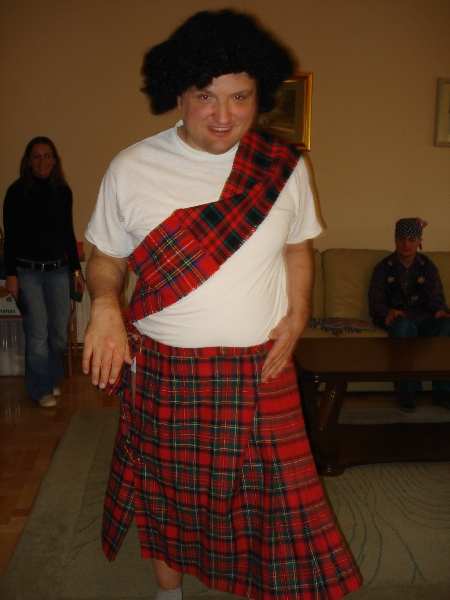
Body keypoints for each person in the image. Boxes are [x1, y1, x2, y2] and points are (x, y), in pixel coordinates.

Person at [83, 9, 362, 600]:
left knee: (278, 501)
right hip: (165, 367)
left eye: (240, 97)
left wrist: (299, 314)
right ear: (177, 94)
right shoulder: (131, 168)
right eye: (205, 96)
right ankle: (169, 593)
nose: (223, 115)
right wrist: (105, 304)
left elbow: (298, 247)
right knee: (168, 492)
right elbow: (104, 256)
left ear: (259, 95)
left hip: (261, 366)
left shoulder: (283, 168)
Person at [2, 136, 84, 408]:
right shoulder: (16, 193)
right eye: (36, 156)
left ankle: (49, 377)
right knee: (37, 332)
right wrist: (11, 275)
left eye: (47, 156)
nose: (42, 161)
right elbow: (10, 238)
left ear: (55, 160)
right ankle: (40, 388)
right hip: (28, 274)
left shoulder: (63, 192)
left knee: (58, 333)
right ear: (28, 161)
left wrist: (76, 271)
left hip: (59, 271)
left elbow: (68, 233)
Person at [369, 217, 450, 412]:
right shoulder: (383, 267)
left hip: (424, 319)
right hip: (398, 319)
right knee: (404, 327)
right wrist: (387, 312)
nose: (406, 244)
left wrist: (440, 310)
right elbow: (376, 301)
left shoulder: (427, 266)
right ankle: (407, 392)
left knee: (447, 325)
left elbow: (436, 296)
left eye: (411, 240)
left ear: (419, 242)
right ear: (395, 240)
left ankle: (442, 392)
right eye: (401, 239)